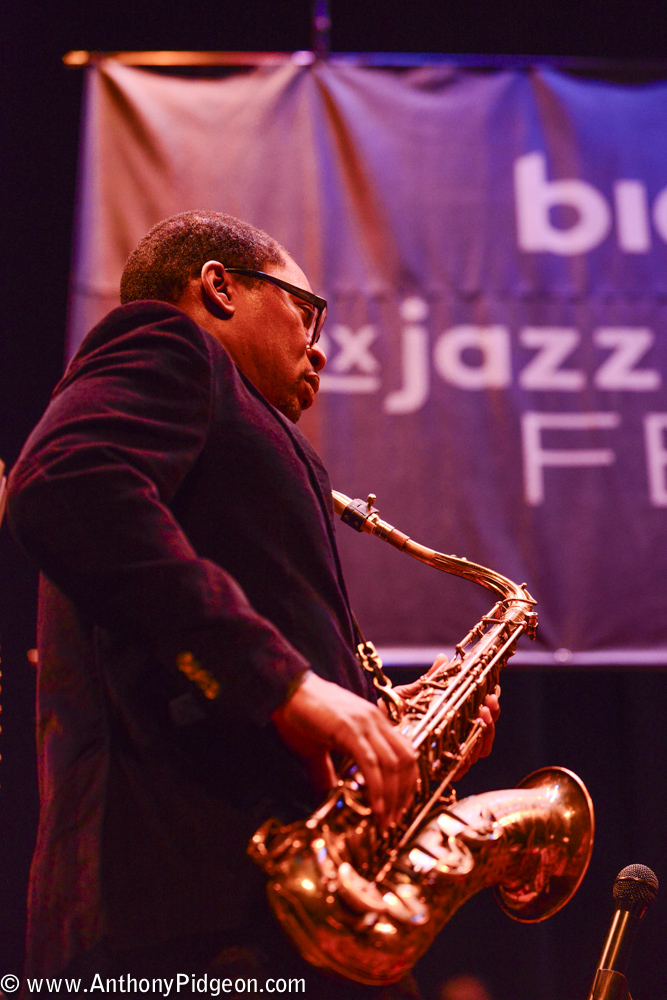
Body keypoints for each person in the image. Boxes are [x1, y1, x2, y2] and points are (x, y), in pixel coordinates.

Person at [8, 211, 498, 997]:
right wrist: (282, 683)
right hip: (184, 908)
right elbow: (64, 485)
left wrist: (394, 732)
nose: (322, 346)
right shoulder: (168, 344)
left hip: (279, 904)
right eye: (306, 313)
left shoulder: (242, 422)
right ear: (220, 287)